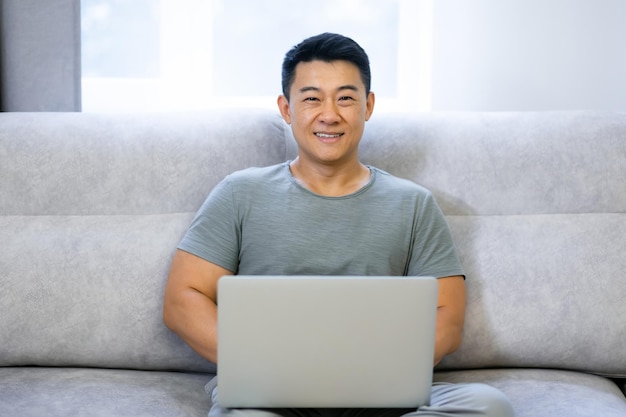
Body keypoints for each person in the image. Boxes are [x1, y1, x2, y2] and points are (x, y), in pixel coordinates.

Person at [163, 33, 514, 417]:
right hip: (269, 393)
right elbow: (183, 301)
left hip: (381, 393)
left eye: (345, 97)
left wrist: (374, 373)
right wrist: (265, 365)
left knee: (487, 406)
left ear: (368, 105)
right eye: (312, 98)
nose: (329, 114)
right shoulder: (240, 192)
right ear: (286, 108)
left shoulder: (413, 203)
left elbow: (446, 318)